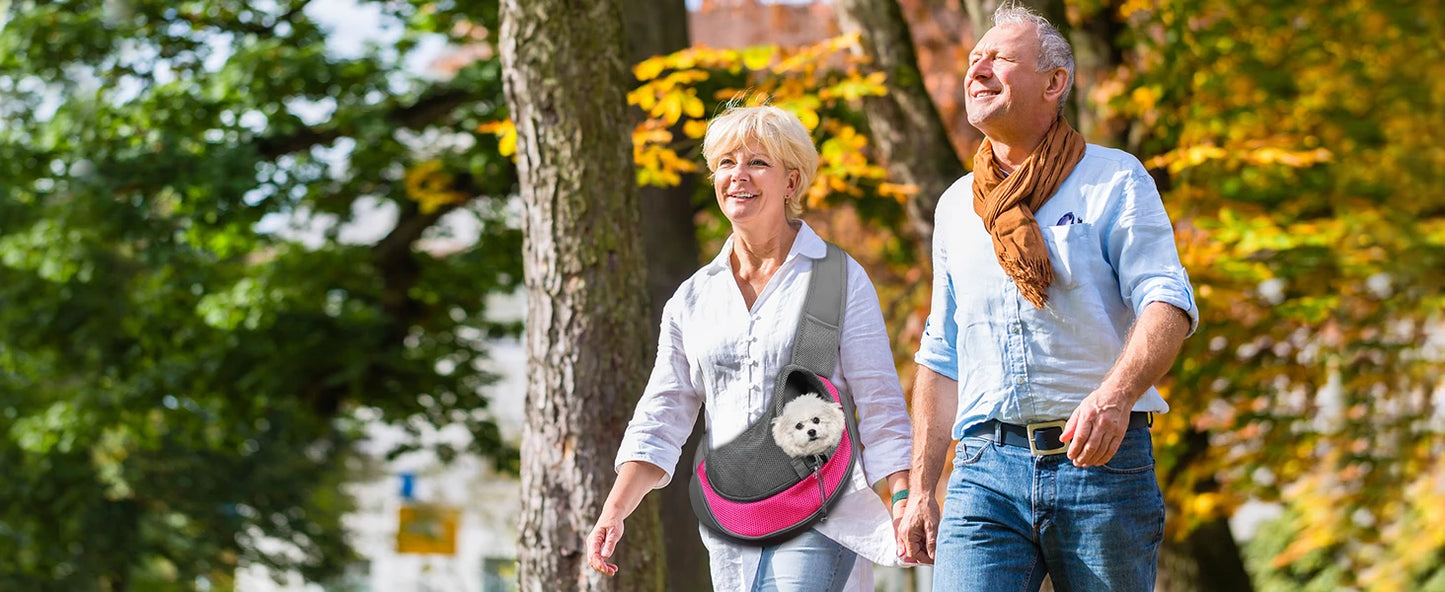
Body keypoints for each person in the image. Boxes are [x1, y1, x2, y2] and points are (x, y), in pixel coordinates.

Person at [896, 4, 1199, 591]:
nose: (977, 69)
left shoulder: (1115, 178)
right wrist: (922, 490)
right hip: (984, 470)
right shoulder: (956, 206)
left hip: (1101, 465)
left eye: (999, 59)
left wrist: (1115, 397)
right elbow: (941, 352)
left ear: (1055, 82)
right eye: (973, 58)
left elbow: (1167, 301)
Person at [586, 104, 914, 592]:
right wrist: (614, 509)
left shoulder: (837, 277)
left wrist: (906, 497)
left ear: (791, 182)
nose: (738, 175)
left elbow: (880, 401)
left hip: (821, 510)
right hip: (734, 520)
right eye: (725, 163)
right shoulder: (694, 298)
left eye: (758, 162)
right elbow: (663, 412)